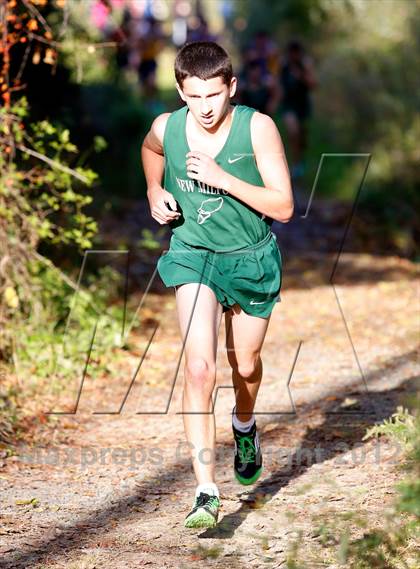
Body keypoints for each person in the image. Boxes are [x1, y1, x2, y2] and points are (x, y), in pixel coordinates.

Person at [141, 41, 293, 529]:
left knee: (244, 366)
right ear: (180, 92)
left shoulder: (258, 128)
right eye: (192, 97)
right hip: (194, 254)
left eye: (213, 95)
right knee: (200, 369)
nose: (204, 108)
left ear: (231, 86)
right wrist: (154, 188)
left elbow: (284, 207)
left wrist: (221, 177)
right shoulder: (169, 126)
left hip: (250, 259)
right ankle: (206, 491)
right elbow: (150, 147)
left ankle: (244, 424)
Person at [279, 40, 317, 179]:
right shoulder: (283, 65)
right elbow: (278, 82)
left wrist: (301, 75)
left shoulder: (305, 64)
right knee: (293, 132)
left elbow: (313, 84)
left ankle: (299, 162)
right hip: (289, 105)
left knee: (301, 136)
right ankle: (294, 164)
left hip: (302, 104)